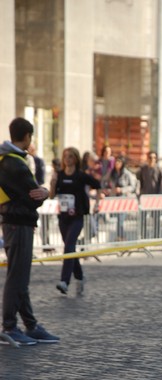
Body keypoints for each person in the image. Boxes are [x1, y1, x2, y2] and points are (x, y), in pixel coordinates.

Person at [0, 117, 59, 346]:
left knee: (20, 275)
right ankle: (10, 326)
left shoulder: (7, 159)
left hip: (13, 221)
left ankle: (31, 325)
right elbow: (34, 196)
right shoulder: (15, 163)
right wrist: (44, 191)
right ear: (27, 137)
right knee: (18, 276)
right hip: (19, 222)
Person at [50, 147, 101, 296]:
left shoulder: (81, 176)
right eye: (65, 156)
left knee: (69, 246)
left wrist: (97, 204)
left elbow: (97, 185)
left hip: (77, 216)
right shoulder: (59, 175)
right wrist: (52, 183)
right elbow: (52, 196)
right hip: (63, 217)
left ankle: (64, 281)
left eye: (71, 156)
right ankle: (80, 277)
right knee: (69, 248)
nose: (68, 159)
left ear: (76, 159)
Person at [108, 155, 138, 239]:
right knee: (117, 219)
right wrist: (109, 189)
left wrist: (121, 190)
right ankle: (120, 236)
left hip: (124, 200)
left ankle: (121, 236)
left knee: (121, 219)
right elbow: (105, 181)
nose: (117, 163)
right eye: (116, 161)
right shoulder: (112, 173)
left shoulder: (126, 173)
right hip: (115, 200)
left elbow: (132, 187)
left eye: (119, 162)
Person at [138, 151, 162, 238]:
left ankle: (156, 236)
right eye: (150, 157)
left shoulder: (159, 169)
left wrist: (159, 196)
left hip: (155, 198)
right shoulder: (143, 169)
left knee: (156, 218)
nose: (152, 159)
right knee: (143, 217)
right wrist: (141, 193)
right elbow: (140, 181)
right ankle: (144, 235)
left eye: (154, 157)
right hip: (145, 197)